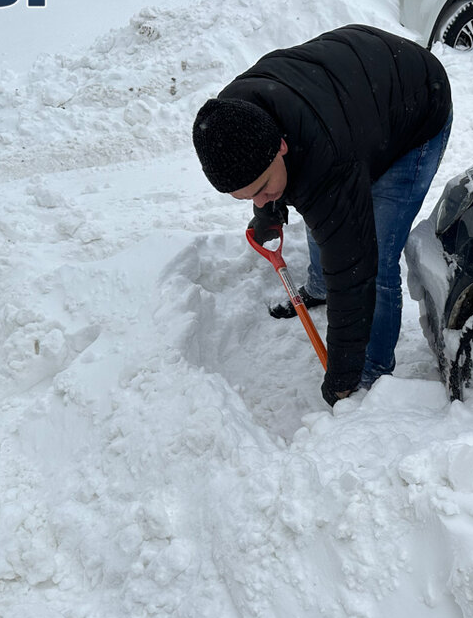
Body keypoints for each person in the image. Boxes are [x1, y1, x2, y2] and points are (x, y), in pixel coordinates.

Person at [192, 24, 452, 406]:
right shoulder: (234, 119)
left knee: (374, 255)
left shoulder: (323, 158)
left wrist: (342, 378)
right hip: (353, 97)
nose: (261, 198)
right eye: (248, 196)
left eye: (263, 188)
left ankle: (372, 374)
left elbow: (354, 271)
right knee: (323, 213)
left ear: (280, 146)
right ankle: (318, 286)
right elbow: (278, 185)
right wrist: (268, 214)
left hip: (415, 105)